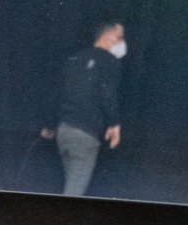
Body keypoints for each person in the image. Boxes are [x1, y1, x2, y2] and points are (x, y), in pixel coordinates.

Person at [42, 21, 126, 197]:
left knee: (71, 182)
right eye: (120, 37)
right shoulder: (111, 62)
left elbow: (56, 94)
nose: (122, 42)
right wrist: (114, 123)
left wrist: (49, 125)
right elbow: (107, 94)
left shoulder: (75, 60)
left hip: (64, 131)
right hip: (86, 133)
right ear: (109, 37)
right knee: (75, 190)